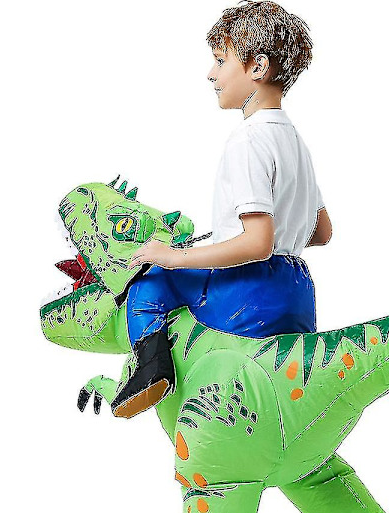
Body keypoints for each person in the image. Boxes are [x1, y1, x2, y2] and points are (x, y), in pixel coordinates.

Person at [111, 0, 332, 419]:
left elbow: (258, 243)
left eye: (220, 59)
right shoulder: (295, 142)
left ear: (257, 67)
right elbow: (322, 232)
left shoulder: (248, 140)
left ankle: (152, 371)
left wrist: (174, 257)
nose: (211, 73)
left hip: (250, 289)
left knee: (150, 281)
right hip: (298, 293)